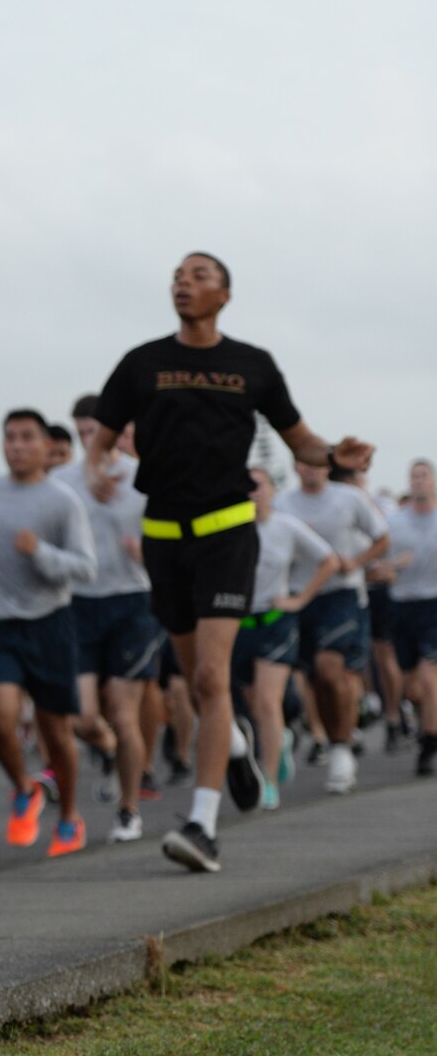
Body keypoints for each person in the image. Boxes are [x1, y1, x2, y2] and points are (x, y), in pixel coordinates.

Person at [88, 251, 373, 872]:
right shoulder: (143, 363)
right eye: (176, 277)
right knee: (197, 682)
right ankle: (235, 741)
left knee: (213, 680)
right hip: (163, 533)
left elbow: (304, 441)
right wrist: (95, 471)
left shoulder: (251, 365)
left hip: (226, 531)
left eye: (197, 276)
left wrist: (339, 454)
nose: (182, 284)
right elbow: (102, 439)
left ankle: (203, 825)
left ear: (224, 295)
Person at [0, 409, 97, 856]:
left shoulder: (62, 501)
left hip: (49, 624)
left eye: (26, 438)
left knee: (56, 732)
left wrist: (40, 553)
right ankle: (25, 788)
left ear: (44, 446)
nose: (16, 445)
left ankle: (70, 815)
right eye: (9, 437)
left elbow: (85, 568)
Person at [62, 400, 162, 842]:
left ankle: (128, 808)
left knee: (123, 713)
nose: (89, 440)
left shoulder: (143, 479)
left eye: (96, 431)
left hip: (131, 602)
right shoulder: (62, 482)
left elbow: (170, 542)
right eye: (81, 432)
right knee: (82, 716)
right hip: (79, 603)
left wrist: (149, 556)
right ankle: (107, 751)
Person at [279, 458, 389, 795]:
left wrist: (355, 563)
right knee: (316, 681)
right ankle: (329, 737)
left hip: (342, 595)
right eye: (304, 463)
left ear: (328, 468)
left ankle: (341, 748)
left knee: (331, 670)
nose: (311, 469)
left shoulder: (348, 498)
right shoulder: (284, 503)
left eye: (317, 464)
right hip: (300, 596)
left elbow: (382, 538)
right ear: (295, 467)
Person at [235, 467, 339, 808]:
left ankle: (269, 781)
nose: (253, 492)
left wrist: (300, 598)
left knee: (267, 701)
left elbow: (329, 561)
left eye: (259, 485)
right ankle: (278, 741)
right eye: (246, 486)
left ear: (271, 490)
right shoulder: (231, 528)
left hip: (277, 620)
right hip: (240, 623)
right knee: (253, 706)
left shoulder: (286, 525)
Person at [383, 458, 437, 777]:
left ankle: (429, 746)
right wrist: (390, 568)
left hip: (433, 602)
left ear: (432, 482)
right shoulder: (393, 522)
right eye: (414, 476)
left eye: (424, 476)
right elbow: (375, 568)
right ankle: (427, 723)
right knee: (413, 688)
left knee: (430, 679)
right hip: (402, 604)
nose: (418, 481)